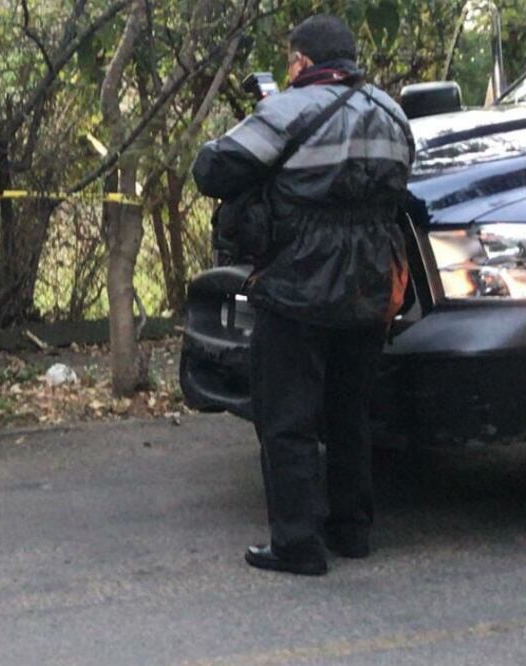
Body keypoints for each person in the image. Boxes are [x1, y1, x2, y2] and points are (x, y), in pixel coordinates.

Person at [192, 15, 414, 575]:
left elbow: (212, 171)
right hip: (368, 286)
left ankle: (297, 544)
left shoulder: (289, 109)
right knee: (349, 415)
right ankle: (352, 532)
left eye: (291, 59)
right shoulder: (392, 114)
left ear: (301, 63)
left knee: (287, 418)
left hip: (297, 284)